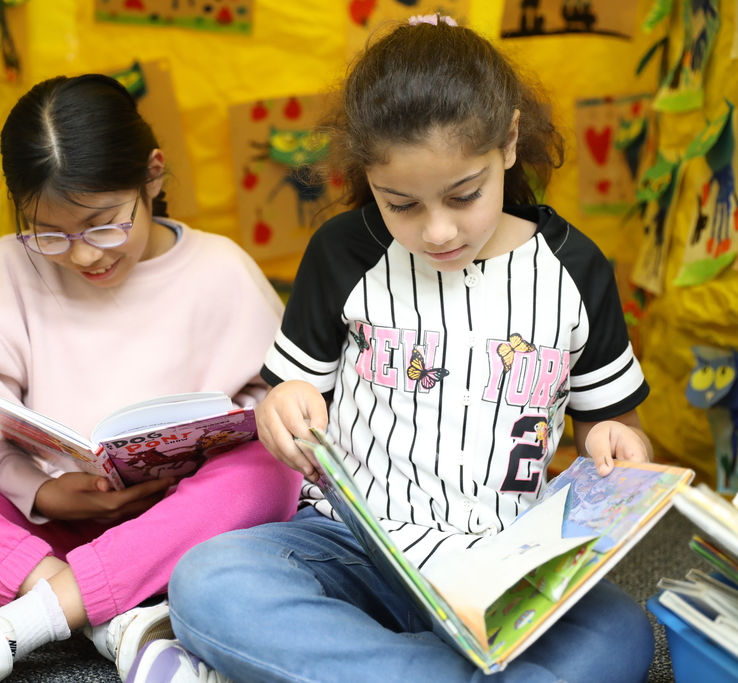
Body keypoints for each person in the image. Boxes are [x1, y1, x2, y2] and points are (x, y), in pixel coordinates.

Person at [137, 16, 658, 683]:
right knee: (209, 581)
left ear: (508, 142)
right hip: (354, 546)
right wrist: (283, 406)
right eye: (401, 203)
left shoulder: (575, 269)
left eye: (464, 195)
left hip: (505, 566)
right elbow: (290, 396)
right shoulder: (343, 253)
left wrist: (619, 446)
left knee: (621, 633)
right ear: (368, 175)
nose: (437, 230)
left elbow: (613, 428)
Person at [0, 74, 301, 683]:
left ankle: (34, 616)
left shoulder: (223, 271)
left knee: (273, 467)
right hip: (39, 528)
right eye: (48, 233)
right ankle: (101, 608)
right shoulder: (9, 267)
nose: (82, 255)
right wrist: (42, 492)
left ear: (153, 176)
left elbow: (268, 410)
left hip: (172, 525)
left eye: (105, 224)